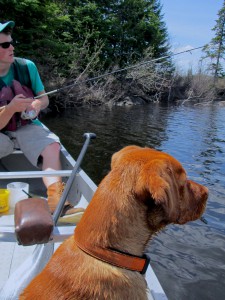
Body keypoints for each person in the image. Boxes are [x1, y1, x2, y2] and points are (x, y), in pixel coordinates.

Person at [0, 20, 79, 216]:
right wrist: (10, 109)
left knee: (51, 145)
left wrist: (36, 105)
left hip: (26, 126)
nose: (12, 47)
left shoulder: (27, 66)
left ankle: (57, 199)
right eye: (4, 45)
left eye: (11, 42)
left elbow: (44, 98)